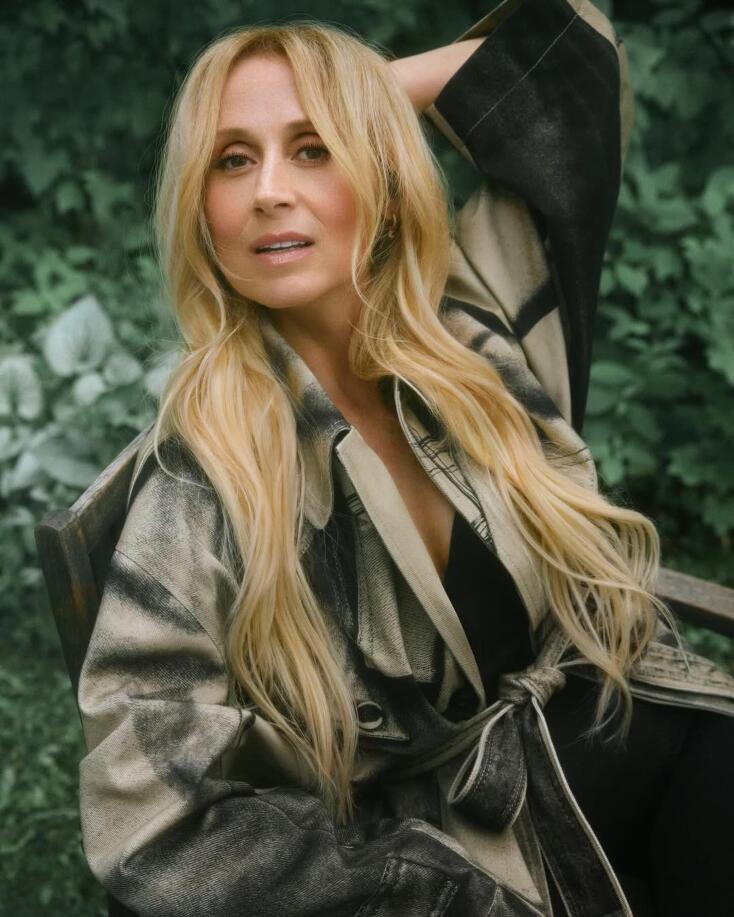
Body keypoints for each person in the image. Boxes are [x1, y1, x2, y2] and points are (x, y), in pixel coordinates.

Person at [77, 1, 734, 915]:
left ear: (383, 181)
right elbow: (148, 821)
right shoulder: (209, 478)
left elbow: (569, 68)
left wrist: (364, 99)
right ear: (201, 209)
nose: (268, 190)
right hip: (462, 856)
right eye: (232, 159)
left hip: (606, 738)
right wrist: (418, 885)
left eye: (314, 149)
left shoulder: (470, 324)